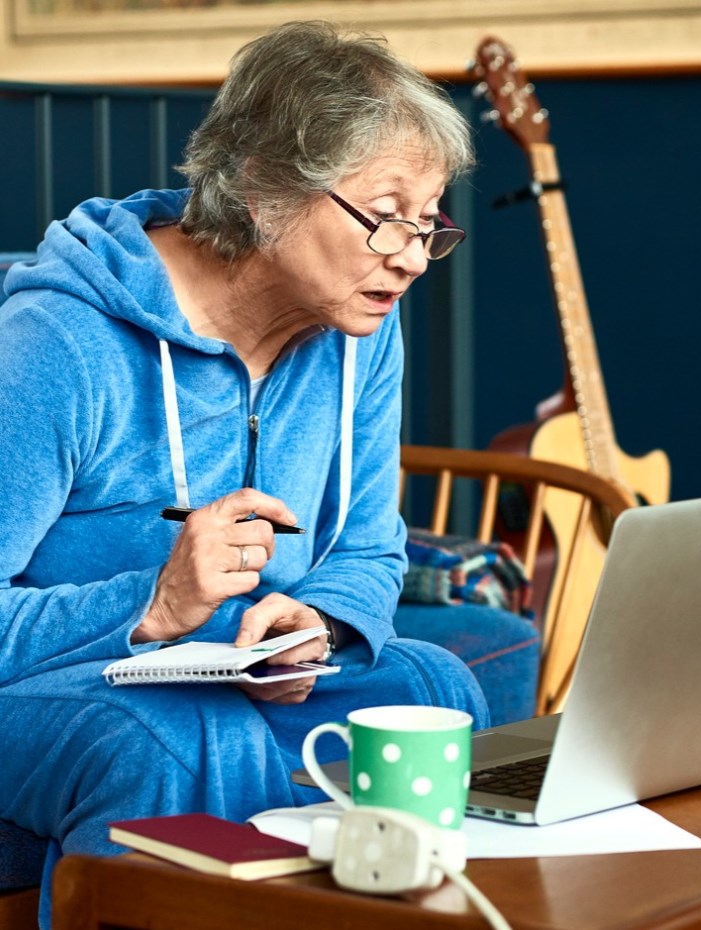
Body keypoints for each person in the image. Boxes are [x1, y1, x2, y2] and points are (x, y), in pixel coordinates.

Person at [0, 20, 489, 928]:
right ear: (265, 194)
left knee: (431, 690)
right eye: (386, 217)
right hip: (49, 685)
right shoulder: (57, 347)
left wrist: (321, 622)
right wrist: (152, 607)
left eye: (428, 225)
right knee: (172, 740)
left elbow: (372, 550)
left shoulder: (360, 334)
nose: (414, 257)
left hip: (234, 674)